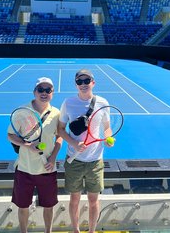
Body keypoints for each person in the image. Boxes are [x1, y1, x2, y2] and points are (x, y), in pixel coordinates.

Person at [58, 69, 113, 233]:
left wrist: (109, 138)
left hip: (95, 161)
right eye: (79, 81)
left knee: (93, 199)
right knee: (74, 198)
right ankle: (75, 230)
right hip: (74, 161)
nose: (83, 84)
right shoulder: (68, 103)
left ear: (93, 83)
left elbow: (107, 127)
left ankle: (91, 231)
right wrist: (74, 143)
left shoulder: (103, 103)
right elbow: (60, 130)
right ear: (76, 85)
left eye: (86, 80)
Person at [7, 77, 62, 233]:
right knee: (23, 206)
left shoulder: (57, 113)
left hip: (47, 169)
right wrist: (28, 145)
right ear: (34, 92)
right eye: (40, 90)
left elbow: (59, 136)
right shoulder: (22, 111)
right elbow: (10, 135)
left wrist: (53, 158)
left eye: (48, 90)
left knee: (49, 206)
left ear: (52, 93)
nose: (44, 93)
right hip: (25, 168)